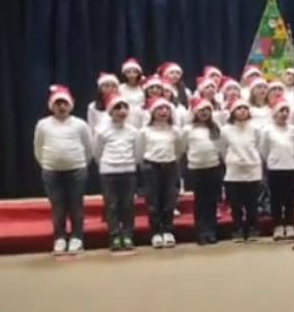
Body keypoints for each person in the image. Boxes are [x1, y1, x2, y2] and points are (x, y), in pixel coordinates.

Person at [34, 86, 93, 255]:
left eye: (64, 103)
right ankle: (59, 237)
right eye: (58, 103)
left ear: (70, 105)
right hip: (52, 172)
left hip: (76, 171)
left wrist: (80, 163)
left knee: (76, 205)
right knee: (57, 206)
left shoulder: (80, 124)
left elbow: (88, 147)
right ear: (51, 106)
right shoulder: (43, 125)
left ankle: (77, 238)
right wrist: (48, 164)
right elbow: (38, 147)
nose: (61, 107)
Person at [94, 95, 140, 252]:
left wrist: (130, 164)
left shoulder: (133, 131)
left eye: (125, 108)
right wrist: (106, 164)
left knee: (128, 204)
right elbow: (97, 152)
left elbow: (137, 152)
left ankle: (127, 235)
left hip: (128, 171)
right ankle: (114, 235)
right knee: (111, 204)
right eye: (117, 108)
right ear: (110, 111)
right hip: (109, 172)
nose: (122, 111)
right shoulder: (102, 131)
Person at [140, 96, 184, 248]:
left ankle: (168, 230)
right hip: (151, 166)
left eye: (166, 109)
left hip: (170, 165)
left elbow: (179, 149)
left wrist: (171, 159)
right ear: (152, 112)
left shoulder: (175, 131)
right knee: (153, 201)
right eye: (159, 109)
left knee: (169, 200)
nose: (163, 111)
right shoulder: (145, 131)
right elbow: (140, 150)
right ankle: (155, 232)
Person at [222, 99, 264, 242]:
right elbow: (222, 149)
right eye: (239, 108)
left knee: (252, 203)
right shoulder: (226, 130)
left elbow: (260, 146)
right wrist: (232, 160)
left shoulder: (255, 128)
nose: (242, 111)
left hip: (252, 169)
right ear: (233, 112)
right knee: (236, 203)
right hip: (234, 171)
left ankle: (252, 228)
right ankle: (238, 228)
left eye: (245, 108)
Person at [184, 97, 224, 245]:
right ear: (195, 112)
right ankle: (201, 231)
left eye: (207, 110)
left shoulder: (215, 128)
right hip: (196, 168)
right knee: (200, 202)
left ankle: (211, 231)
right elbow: (182, 147)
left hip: (213, 167)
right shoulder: (188, 129)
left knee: (212, 201)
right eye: (201, 110)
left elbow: (220, 146)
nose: (205, 113)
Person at [259, 96, 294, 240]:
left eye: (286, 111)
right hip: (275, 168)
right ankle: (277, 225)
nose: (284, 114)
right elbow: (263, 149)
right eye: (281, 111)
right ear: (275, 113)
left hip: (290, 166)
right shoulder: (267, 130)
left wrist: (293, 158)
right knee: (276, 198)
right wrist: (272, 160)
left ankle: (290, 224)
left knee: (289, 198)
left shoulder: (293, 130)